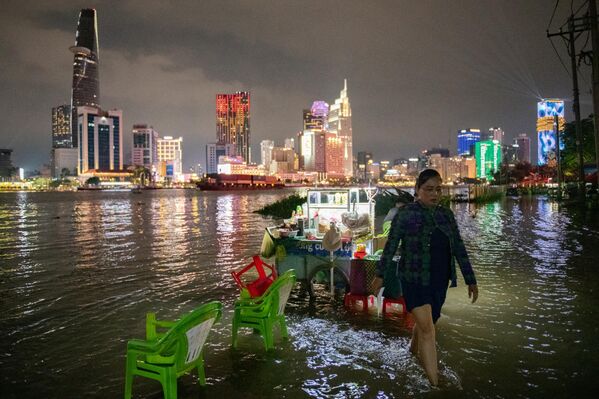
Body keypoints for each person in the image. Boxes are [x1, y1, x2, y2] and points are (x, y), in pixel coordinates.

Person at [372, 169, 478, 386]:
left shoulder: (446, 215)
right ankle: (434, 384)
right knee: (429, 330)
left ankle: (411, 352)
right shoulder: (406, 214)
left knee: (429, 322)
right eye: (428, 189)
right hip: (413, 278)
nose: (434, 194)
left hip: (439, 280)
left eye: (438, 189)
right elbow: (391, 246)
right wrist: (380, 275)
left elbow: (458, 246)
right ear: (417, 191)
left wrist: (470, 279)